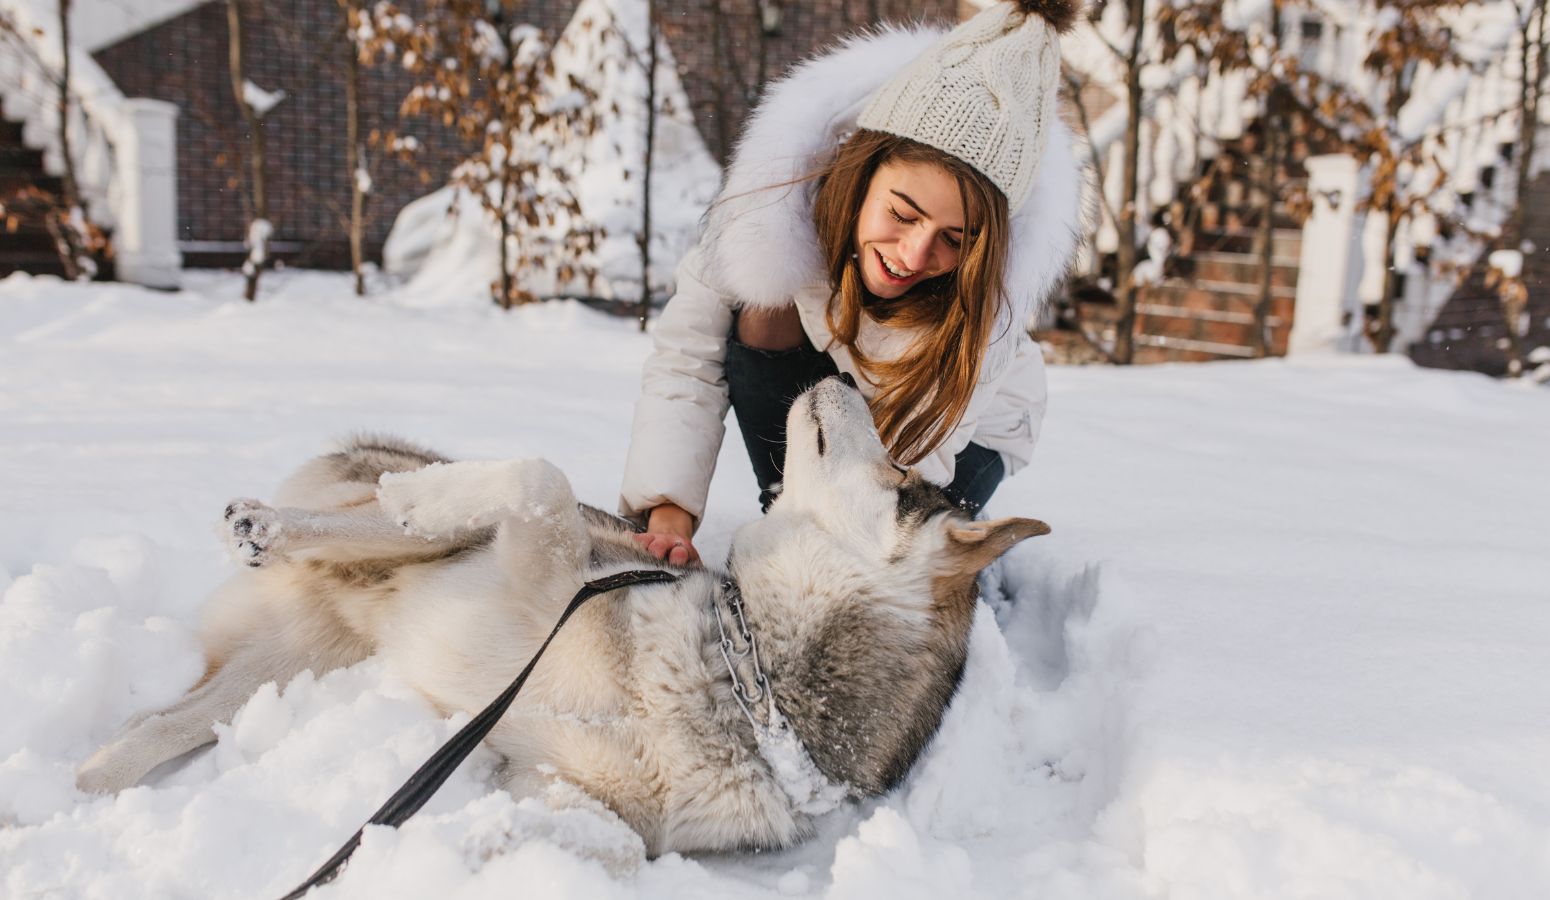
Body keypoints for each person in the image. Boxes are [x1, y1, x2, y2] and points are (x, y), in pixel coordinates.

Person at [621, 0, 1084, 566]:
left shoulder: (988, 307)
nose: (915, 254)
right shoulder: (769, 212)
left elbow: (911, 463)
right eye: (904, 213)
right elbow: (686, 364)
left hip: (970, 440)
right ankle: (785, 500)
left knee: (899, 555)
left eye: (954, 239)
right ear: (860, 171)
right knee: (763, 310)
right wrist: (669, 512)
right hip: (831, 382)